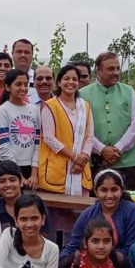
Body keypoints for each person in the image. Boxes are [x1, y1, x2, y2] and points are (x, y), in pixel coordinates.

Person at [83, 51, 135, 191]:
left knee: (127, 205)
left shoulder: (128, 91)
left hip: (126, 162)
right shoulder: (83, 94)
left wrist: (117, 149)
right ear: (98, 70)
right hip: (96, 162)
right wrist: (101, 150)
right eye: (110, 69)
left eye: (117, 68)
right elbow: (82, 128)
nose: (115, 72)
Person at [60, 168, 135, 260]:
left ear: (121, 190)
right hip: (91, 265)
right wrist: (59, 262)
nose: (109, 195)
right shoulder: (88, 214)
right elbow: (72, 246)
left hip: (124, 265)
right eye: (104, 190)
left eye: (114, 189)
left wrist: (105, 259)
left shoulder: (133, 211)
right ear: (96, 191)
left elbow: (132, 249)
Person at [38, 64, 95, 195]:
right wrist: (74, 157)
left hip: (80, 170)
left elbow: (90, 136)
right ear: (59, 82)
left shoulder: (85, 106)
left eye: (75, 79)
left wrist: (82, 160)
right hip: (56, 170)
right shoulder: (49, 106)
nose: (71, 82)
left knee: (81, 213)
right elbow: (49, 138)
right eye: (66, 79)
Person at [0, 69, 41, 186]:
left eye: (26, 84)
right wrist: (18, 176)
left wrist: (34, 173)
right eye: (18, 84)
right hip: (8, 167)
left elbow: (37, 143)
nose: (23, 88)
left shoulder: (34, 110)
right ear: (8, 87)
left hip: (30, 167)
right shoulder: (3, 110)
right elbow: (4, 145)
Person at [0, 160, 25, 228]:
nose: (8, 185)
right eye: (2, 181)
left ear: (21, 182)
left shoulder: (35, 205)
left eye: (12, 180)